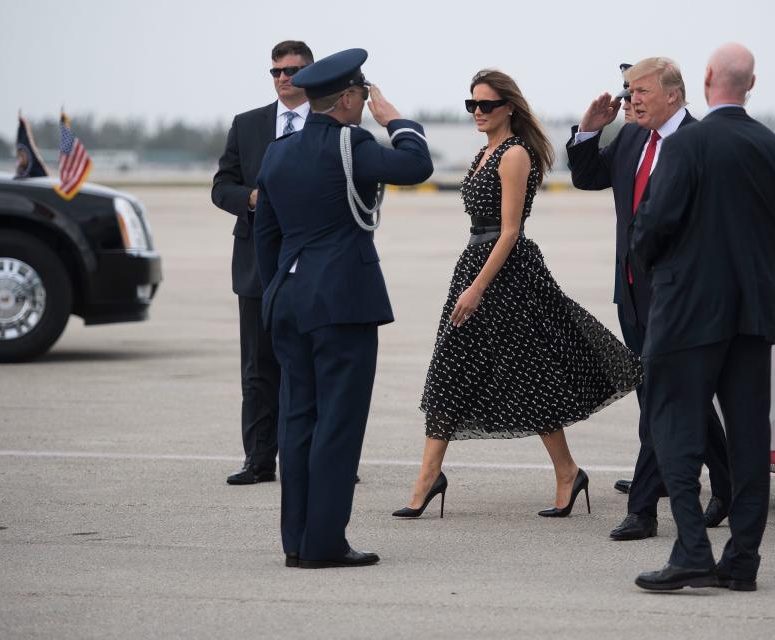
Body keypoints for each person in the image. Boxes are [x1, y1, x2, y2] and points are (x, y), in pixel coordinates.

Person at [392, 70, 642, 521]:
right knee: (450, 369)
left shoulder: (514, 155)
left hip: (504, 277)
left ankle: (567, 472)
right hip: (473, 266)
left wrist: (477, 289)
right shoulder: (483, 152)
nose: (478, 112)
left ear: (509, 107)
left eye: (486, 104)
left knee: (529, 375)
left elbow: (509, 233)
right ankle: (429, 477)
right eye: (472, 105)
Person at [631, 43, 775, 591]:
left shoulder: (688, 144)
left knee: (674, 427)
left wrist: (668, 267)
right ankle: (742, 561)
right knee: (749, 438)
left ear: (707, 78)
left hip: (686, 313)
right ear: (751, 85)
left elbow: (652, 225)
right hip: (751, 314)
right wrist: (748, 264)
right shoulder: (772, 147)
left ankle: (691, 549)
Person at [254, 48, 433, 568]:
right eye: (362, 94)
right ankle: (325, 543)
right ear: (351, 97)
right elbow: (416, 164)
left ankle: (296, 541)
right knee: (338, 422)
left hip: (288, 300)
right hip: (340, 304)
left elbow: (266, 236)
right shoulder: (350, 143)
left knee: (298, 419)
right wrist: (394, 119)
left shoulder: (278, 151)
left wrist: (277, 293)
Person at [566, 57, 732, 541]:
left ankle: (643, 508)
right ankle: (728, 483)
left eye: (638, 90)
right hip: (634, 290)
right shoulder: (634, 138)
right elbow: (589, 177)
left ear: (673, 95)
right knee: (673, 396)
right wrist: (586, 134)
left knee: (661, 395)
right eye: (626, 90)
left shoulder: (701, 143)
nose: (629, 98)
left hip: (680, 294)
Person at [211, 40, 313, 486]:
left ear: (310, 73)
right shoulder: (247, 124)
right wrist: (251, 198)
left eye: (292, 70)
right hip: (256, 264)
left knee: (313, 366)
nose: (283, 78)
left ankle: (322, 459)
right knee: (257, 368)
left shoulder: (331, 125)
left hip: (313, 266)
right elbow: (221, 186)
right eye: (276, 71)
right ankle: (258, 460)